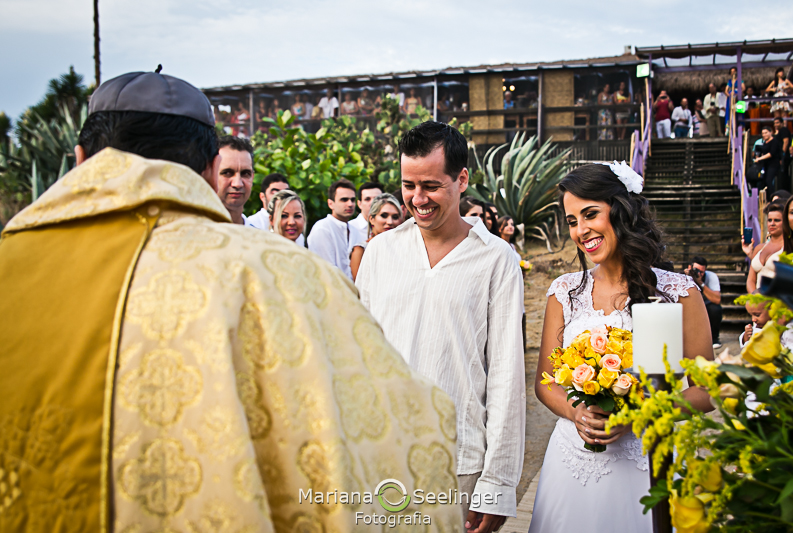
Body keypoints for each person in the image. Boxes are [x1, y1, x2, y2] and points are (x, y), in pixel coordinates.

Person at [0, 70, 463, 531]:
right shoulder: (290, 277)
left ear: (81, 160)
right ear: (207, 171)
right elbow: (406, 436)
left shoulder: (9, 266)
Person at [356, 121, 525, 531]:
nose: (417, 199)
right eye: (408, 185)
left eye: (431, 185)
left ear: (462, 178)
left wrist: (497, 485)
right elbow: (355, 354)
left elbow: (506, 375)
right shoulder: (380, 253)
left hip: (459, 461)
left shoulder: (496, 260)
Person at [530, 163, 713, 533]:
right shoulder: (564, 293)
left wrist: (639, 414)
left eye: (590, 214)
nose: (581, 231)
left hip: (646, 460)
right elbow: (545, 382)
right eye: (571, 221)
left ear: (621, 210)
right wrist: (575, 412)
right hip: (572, 461)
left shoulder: (678, 293)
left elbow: (706, 391)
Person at [307, 178, 357, 279]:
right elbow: (326, 271)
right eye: (344, 200)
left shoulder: (355, 230)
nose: (350, 204)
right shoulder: (322, 229)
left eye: (352, 200)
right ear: (330, 203)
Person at [349, 193, 402, 280]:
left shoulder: (403, 248)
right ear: (371, 219)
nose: (390, 221)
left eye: (395, 217)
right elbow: (360, 288)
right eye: (384, 216)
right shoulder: (361, 250)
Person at [742, 202, 784, 292]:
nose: (772, 224)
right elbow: (750, 280)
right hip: (756, 300)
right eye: (769, 220)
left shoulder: (790, 248)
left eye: (777, 220)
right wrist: (755, 298)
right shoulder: (759, 248)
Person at [683, 256, 723, 348]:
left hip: (705, 305)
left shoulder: (711, 276)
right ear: (690, 267)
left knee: (715, 309)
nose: (699, 273)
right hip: (689, 304)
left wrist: (700, 283)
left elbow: (717, 300)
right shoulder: (683, 276)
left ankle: (714, 339)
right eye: (696, 270)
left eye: (702, 272)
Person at [216, 135, 254, 224]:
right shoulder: (193, 234)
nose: (237, 184)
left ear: (252, 177)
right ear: (211, 174)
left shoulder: (261, 237)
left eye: (245, 174)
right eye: (227, 173)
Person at [754, 126, 782, 196]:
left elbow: (771, 154)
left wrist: (760, 158)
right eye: (763, 133)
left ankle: (773, 197)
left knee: (769, 181)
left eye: (766, 133)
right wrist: (758, 156)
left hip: (773, 164)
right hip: (765, 165)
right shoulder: (765, 143)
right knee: (764, 182)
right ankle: (767, 198)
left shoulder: (774, 141)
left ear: (771, 132)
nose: (764, 135)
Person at [774, 117, 792, 188]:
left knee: (783, 174)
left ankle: (785, 190)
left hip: (784, 156)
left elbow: (786, 142)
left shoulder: (784, 130)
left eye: (777, 123)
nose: (775, 125)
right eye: (774, 123)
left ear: (782, 123)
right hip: (782, 156)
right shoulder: (780, 131)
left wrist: (782, 155)